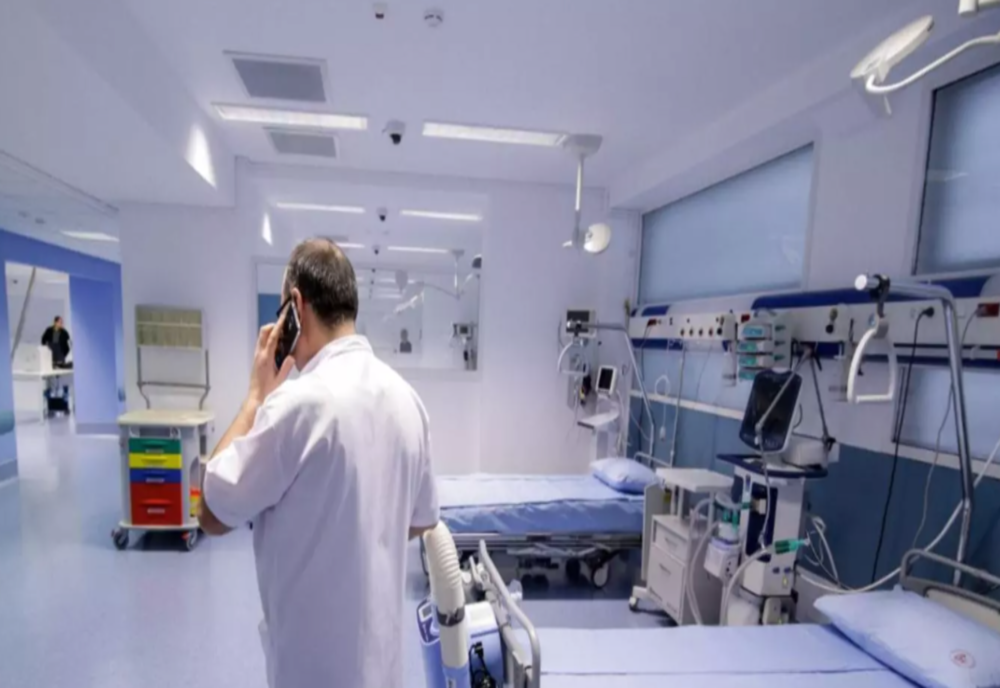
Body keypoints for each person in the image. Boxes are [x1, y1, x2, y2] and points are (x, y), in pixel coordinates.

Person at [197, 239, 439, 688]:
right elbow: (420, 521)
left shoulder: (295, 406)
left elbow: (211, 511)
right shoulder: (408, 401)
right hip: (383, 670)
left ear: (296, 306)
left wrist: (255, 397)